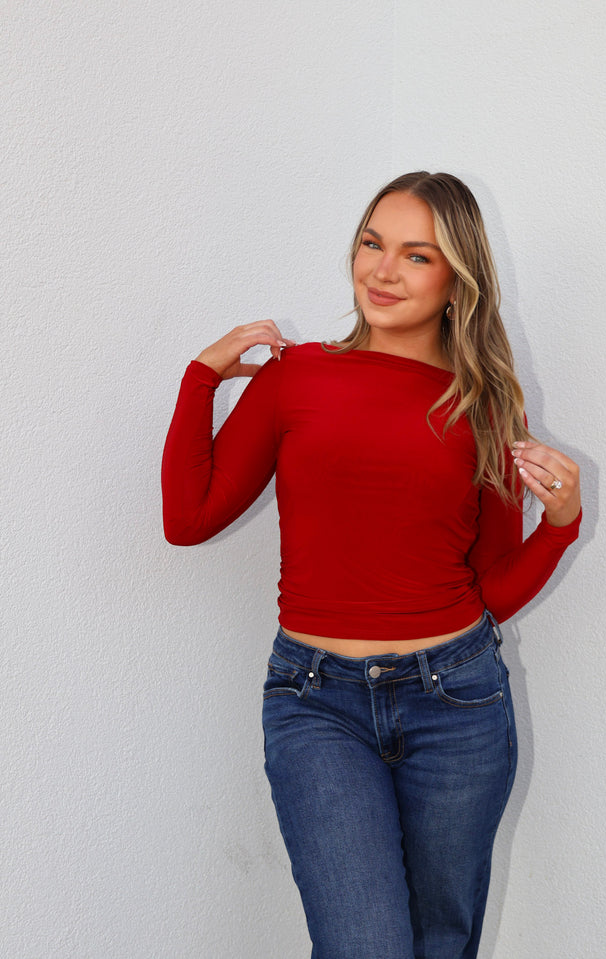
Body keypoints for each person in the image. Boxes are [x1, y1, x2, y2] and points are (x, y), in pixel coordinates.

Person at [162, 171, 582, 959]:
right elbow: (189, 520)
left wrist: (560, 526)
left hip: (456, 701)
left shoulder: (487, 405)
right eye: (372, 242)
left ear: (459, 280)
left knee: (440, 941)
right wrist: (202, 376)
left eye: (416, 255)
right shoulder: (298, 377)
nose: (382, 271)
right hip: (316, 702)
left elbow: (491, 587)